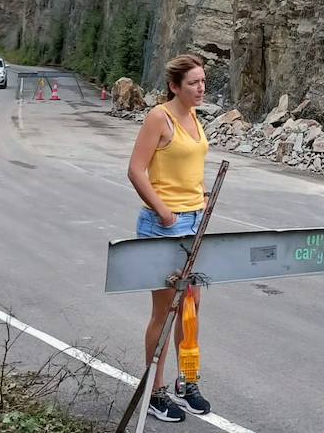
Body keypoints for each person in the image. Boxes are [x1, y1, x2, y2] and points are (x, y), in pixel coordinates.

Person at [127, 53, 212, 423]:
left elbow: (189, 167)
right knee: (164, 311)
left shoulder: (193, 116)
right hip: (164, 225)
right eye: (193, 83)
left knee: (191, 307)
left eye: (203, 82)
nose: (201, 88)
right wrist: (163, 210)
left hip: (194, 221)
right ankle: (155, 390)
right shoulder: (159, 117)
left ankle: (186, 380)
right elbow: (135, 170)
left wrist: (202, 198)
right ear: (174, 87)